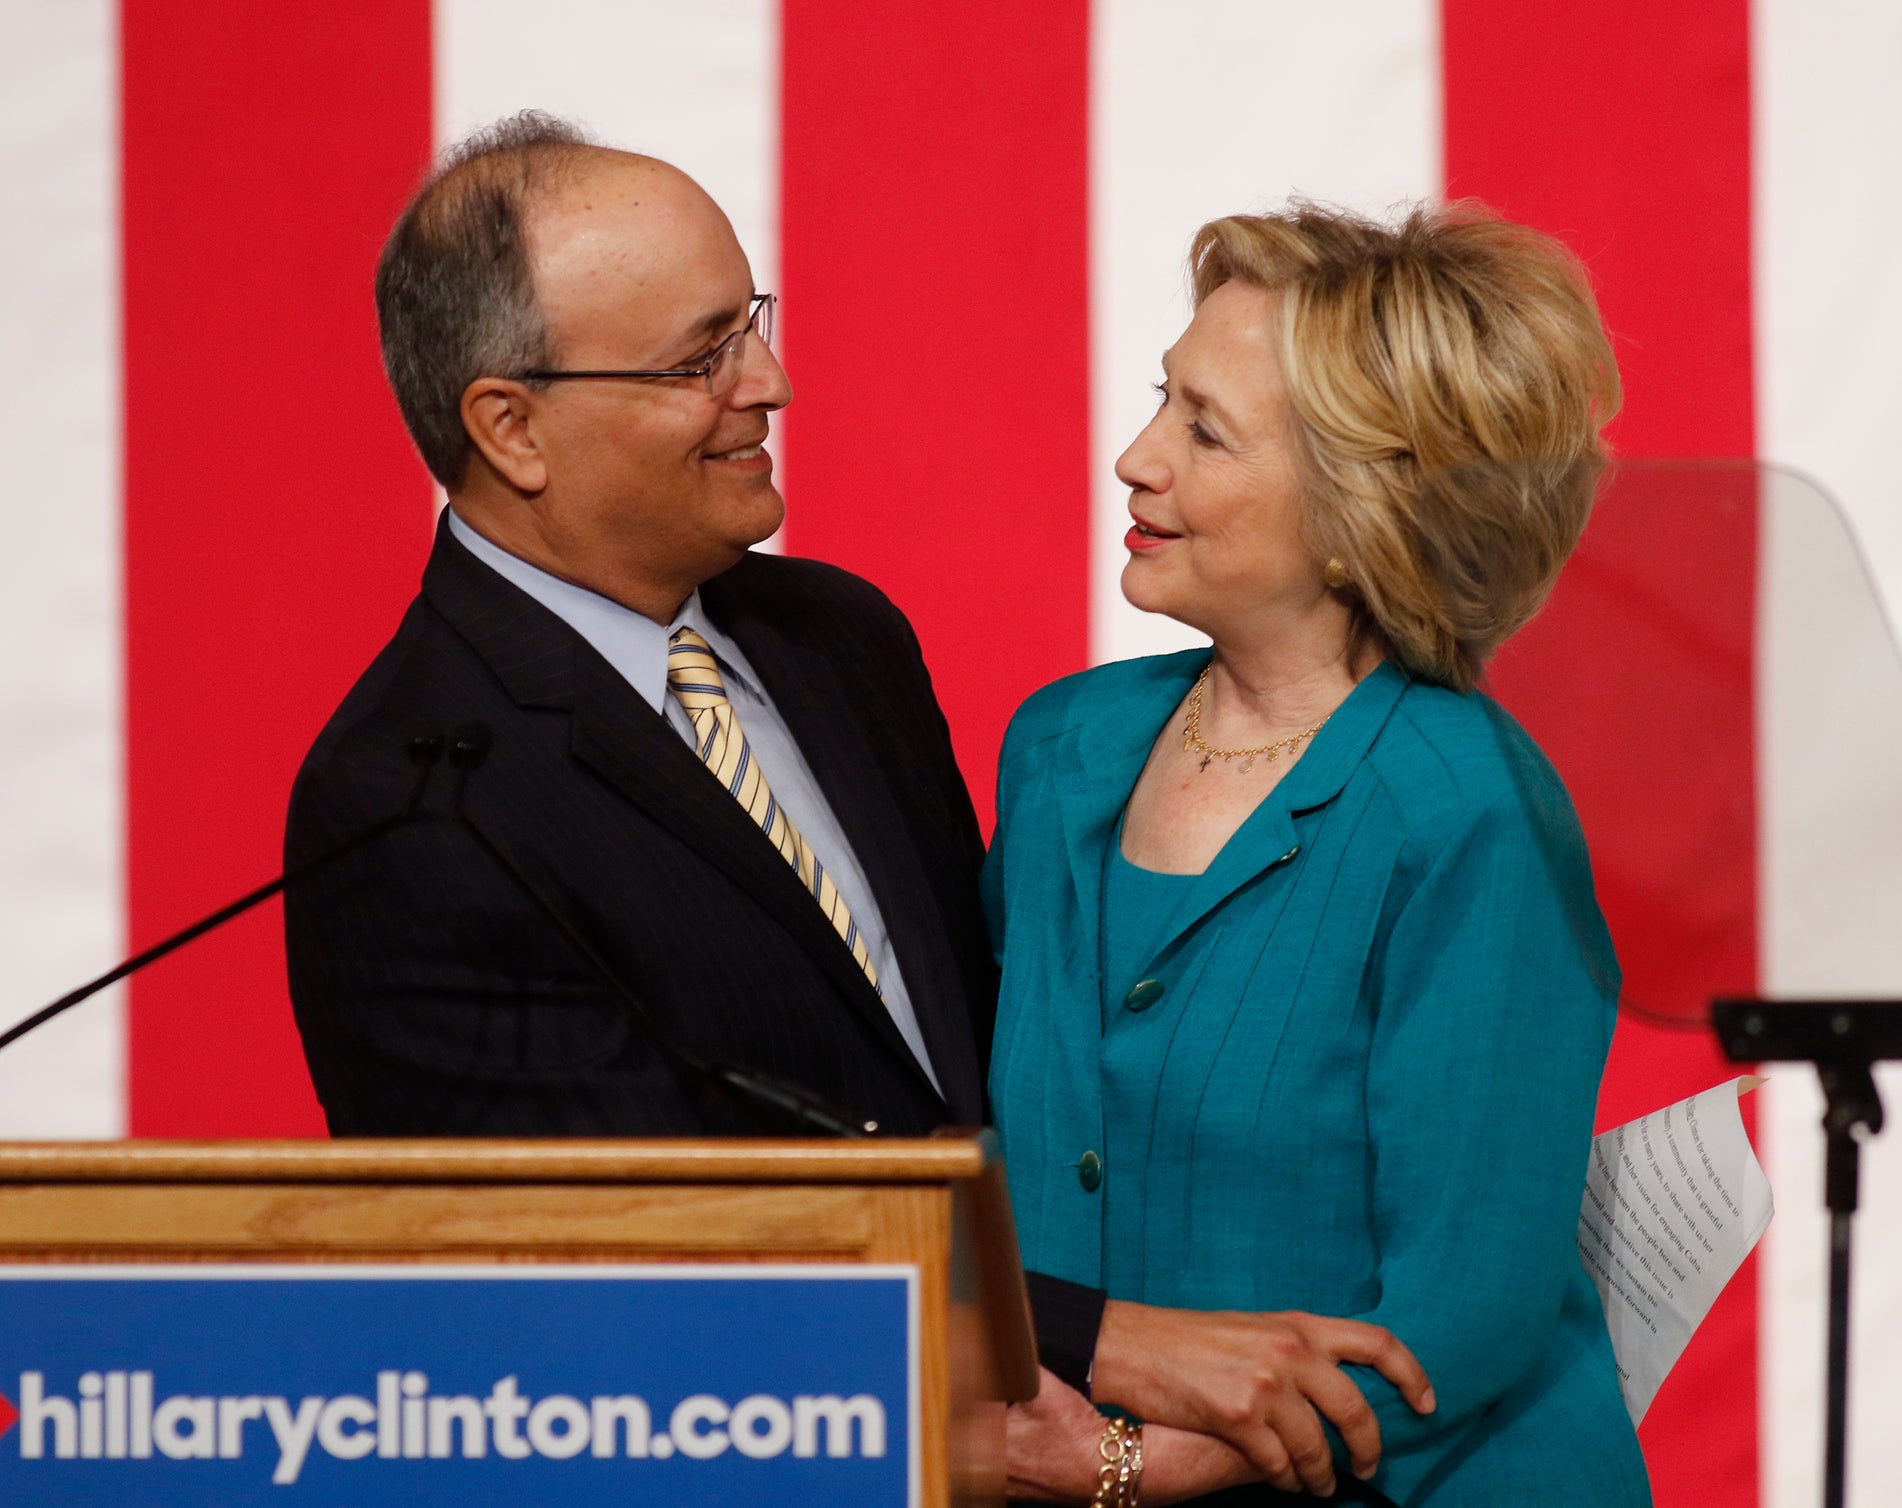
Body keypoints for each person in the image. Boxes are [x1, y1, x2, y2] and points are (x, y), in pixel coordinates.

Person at [284, 114, 1428, 1482]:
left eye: (750, 322)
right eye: (703, 356)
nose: (767, 380)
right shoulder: (406, 797)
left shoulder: (839, 640)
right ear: (511, 426)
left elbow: (990, 1059)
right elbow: (611, 1247)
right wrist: (1095, 1339)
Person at [989, 202, 1653, 1505]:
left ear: (1362, 514)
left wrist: (1132, 1464)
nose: (1134, 457)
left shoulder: (1472, 811)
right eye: (1158, 401)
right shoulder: (1060, 748)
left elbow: (1464, 1313)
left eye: (1204, 430)